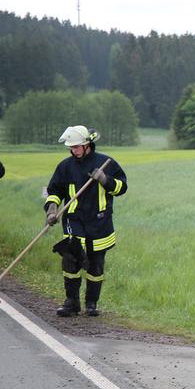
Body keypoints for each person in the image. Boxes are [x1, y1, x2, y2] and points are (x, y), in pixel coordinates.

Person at [44, 126, 127, 317]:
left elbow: (122, 188)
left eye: (77, 147)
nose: (74, 151)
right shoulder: (65, 167)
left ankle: (91, 303)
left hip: (99, 222)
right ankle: (71, 302)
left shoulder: (106, 163)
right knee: (70, 262)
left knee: (95, 265)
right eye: (71, 148)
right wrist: (52, 209)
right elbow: (54, 191)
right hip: (74, 220)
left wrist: (105, 180)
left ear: (88, 144)